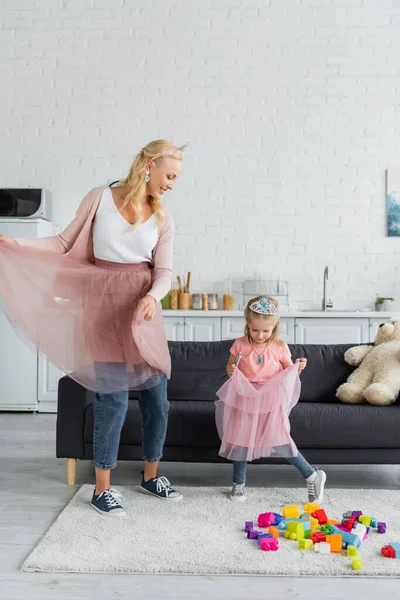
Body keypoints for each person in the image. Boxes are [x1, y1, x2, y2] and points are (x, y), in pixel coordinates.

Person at [0, 139, 187, 516]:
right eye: (169, 175)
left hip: (142, 311)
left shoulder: (163, 217)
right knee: (112, 401)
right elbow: (63, 242)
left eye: (176, 179)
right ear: (149, 165)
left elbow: (164, 272)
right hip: (101, 307)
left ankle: (151, 477)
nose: (171, 184)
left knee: (158, 400)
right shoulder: (99, 198)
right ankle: (102, 489)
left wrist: (154, 296)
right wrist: (12, 241)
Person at [215, 295, 327, 503]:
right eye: (254, 329)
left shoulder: (279, 346)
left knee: (281, 439)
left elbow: (289, 373)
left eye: (266, 331)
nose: (259, 335)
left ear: (274, 327)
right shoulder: (239, 344)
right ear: (247, 325)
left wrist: (298, 368)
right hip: (245, 396)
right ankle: (238, 484)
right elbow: (230, 366)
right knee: (240, 440)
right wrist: (232, 371)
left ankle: (312, 475)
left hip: (270, 398)